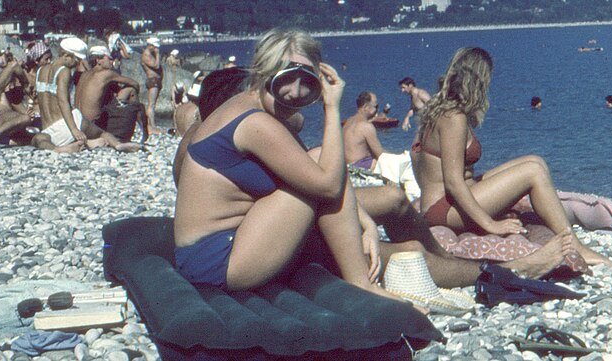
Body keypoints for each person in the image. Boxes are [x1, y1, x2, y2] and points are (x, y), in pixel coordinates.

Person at [171, 67, 571, 287]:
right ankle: (509, 272)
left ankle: (448, 257)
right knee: (397, 256)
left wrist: (357, 218)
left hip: (261, 230)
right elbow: (320, 185)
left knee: (394, 199)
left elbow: (303, 184)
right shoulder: (245, 129)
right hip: (244, 247)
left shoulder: (218, 138)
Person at [172, 28, 394, 297]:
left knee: (317, 159)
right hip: (218, 261)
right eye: (287, 78)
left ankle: (363, 275)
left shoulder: (251, 106)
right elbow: (329, 186)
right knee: (323, 167)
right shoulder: (256, 123)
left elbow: (314, 170)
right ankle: (362, 285)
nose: (296, 92)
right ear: (264, 72)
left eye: (308, 82)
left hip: (209, 253)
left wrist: (368, 224)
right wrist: (332, 108)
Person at [410, 47, 609, 266]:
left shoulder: (438, 109)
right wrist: (490, 224)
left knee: (534, 161)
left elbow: (418, 159)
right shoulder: (453, 118)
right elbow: (454, 183)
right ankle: (574, 245)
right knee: (533, 172)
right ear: (478, 81)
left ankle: (567, 234)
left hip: (442, 203)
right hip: (444, 210)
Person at [74, 46, 145, 149]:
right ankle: (143, 129)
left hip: (77, 122)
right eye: (109, 58)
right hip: (92, 125)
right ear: (99, 60)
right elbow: (135, 84)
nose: (112, 61)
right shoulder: (106, 74)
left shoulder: (85, 74)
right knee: (131, 90)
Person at [30, 36, 90, 153]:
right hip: (65, 127)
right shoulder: (64, 71)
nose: (77, 64)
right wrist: (74, 130)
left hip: (47, 128)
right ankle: (114, 143)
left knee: (38, 140)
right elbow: (63, 102)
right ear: (67, 56)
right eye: (76, 60)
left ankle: (58, 149)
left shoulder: (40, 71)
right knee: (97, 130)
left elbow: (38, 100)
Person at [343, 91, 384, 170]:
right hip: (358, 166)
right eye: (376, 106)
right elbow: (380, 154)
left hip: (346, 164)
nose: (377, 109)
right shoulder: (366, 126)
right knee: (385, 161)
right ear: (366, 107)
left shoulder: (349, 121)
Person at [141, 37, 163, 135]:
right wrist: (158, 54)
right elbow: (156, 66)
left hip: (156, 80)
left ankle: (152, 125)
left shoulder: (150, 54)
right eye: (154, 47)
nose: (156, 49)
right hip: (152, 80)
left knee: (153, 104)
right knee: (151, 104)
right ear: (150, 46)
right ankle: (151, 126)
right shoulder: (146, 55)